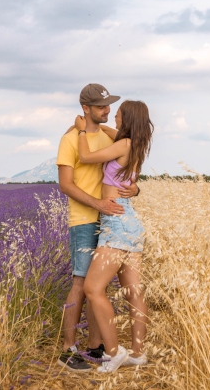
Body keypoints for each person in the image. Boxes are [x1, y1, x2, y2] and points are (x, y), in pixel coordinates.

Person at [56, 84, 140, 373]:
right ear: (86, 109)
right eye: (102, 106)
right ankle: (68, 350)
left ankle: (95, 349)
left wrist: (135, 188)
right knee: (81, 284)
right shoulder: (69, 139)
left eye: (109, 106)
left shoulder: (108, 136)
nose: (107, 110)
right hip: (85, 219)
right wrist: (98, 203)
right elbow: (65, 184)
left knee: (98, 287)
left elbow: (130, 155)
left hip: (108, 220)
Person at [75, 99, 153, 373]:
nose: (113, 118)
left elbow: (85, 157)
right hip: (130, 222)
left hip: (117, 224)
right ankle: (137, 353)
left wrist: (82, 130)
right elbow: (112, 134)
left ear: (127, 118)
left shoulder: (124, 144)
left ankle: (113, 351)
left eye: (117, 115)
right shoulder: (135, 145)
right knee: (133, 290)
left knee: (93, 289)